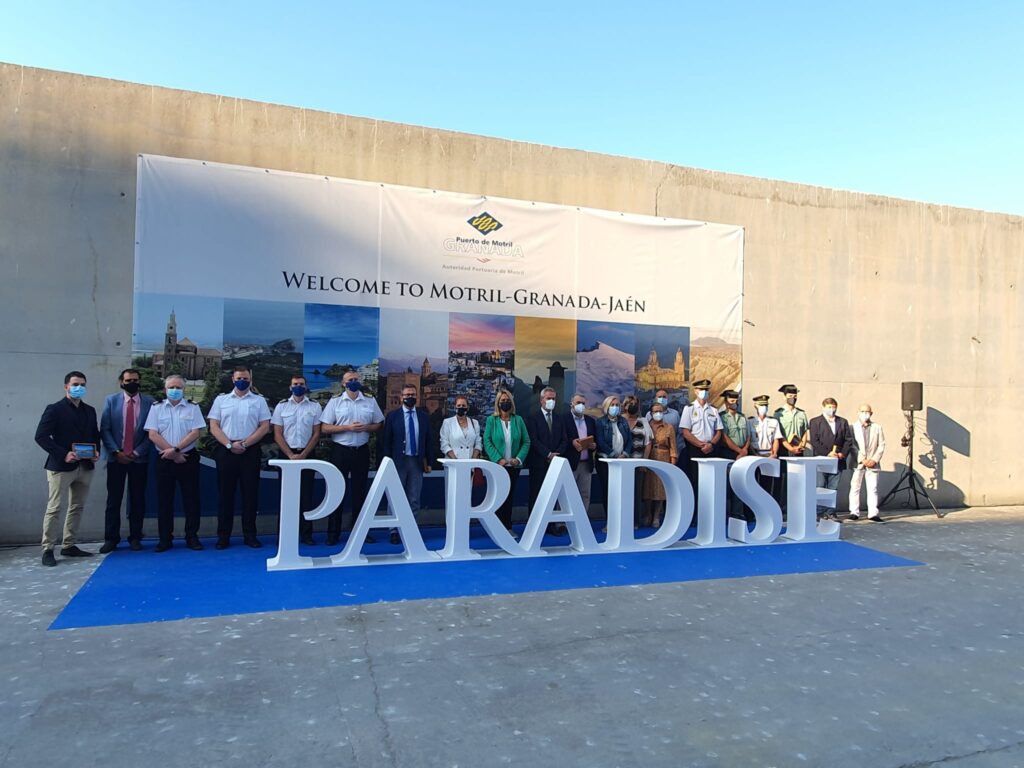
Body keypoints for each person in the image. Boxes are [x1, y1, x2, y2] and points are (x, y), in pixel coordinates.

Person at [35, 371, 101, 566]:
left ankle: (69, 544)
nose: (79, 387)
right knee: (55, 507)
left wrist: (96, 451)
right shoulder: (54, 409)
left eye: (82, 384)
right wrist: (63, 453)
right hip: (61, 466)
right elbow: (41, 436)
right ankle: (48, 549)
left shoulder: (90, 410)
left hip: (85, 466)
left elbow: (95, 434)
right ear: (66, 387)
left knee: (77, 506)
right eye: (75, 384)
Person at [207, 366, 271, 549]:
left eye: (245, 378)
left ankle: (250, 535)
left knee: (250, 495)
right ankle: (223, 536)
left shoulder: (259, 401)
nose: (242, 381)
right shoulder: (221, 400)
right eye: (239, 378)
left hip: (250, 451)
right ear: (233, 379)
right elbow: (214, 426)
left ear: (250, 380)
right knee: (225, 495)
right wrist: (229, 444)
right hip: (226, 450)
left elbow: (264, 426)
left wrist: (245, 444)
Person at [320, 370, 384, 545]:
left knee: (360, 493)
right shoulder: (335, 402)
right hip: (340, 451)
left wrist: (366, 428)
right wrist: (347, 428)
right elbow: (325, 428)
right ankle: (333, 533)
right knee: (336, 492)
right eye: (350, 380)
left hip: (361, 451)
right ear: (343, 383)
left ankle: (361, 532)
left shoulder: (370, 400)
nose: (353, 382)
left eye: (356, 379)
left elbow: (379, 424)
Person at [144, 375, 206, 551]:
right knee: (164, 500)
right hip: (164, 459)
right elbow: (152, 434)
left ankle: (192, 537)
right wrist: (172, 453)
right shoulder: (156, 408)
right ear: (165, 389)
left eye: (178, 387)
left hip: (188, 458)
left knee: (191, 500)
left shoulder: (193, 407)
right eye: (171, 387)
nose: (175, 390)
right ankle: (165, 539)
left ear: (184, 389)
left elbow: (195, 433)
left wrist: (177, 450)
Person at [99, 368, 154, 552]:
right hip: (116, 459)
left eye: (135, 380)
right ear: (121, 382)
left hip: (139, 459)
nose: (132, 383)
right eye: (129, 380)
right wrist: (116, 452)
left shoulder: (150, 402)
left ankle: (136, 537)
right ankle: (111, 539)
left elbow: (152, 432)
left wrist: (137, 452)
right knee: (113, 500)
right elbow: (105, 429)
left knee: (138, 499)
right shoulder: (111, 401)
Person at [271, 375, 323, 546]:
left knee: (307, 496)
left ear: (306, 387)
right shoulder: (281, 406)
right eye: (295, 384)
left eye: (301, 384)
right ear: (290, 387)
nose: (298, 387)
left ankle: (306, 534)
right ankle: (283, 535)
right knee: (285, 497)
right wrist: (290, 455)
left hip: (307, 454)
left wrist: (304, 454)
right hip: (286, 456)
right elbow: (277, 433)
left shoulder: (314, 406)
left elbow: (316, 433)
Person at [381, 384, 433, 544]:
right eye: (407, 395)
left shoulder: (424, 417)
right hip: (398, 462)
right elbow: (386, 441)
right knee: (395, 496)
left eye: (413, 394)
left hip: (416, 462)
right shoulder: (392, 416)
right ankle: (394, 530)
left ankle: (411, 528)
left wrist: (429, 462)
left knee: (414, 498)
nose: (410, 397)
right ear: (401, 397)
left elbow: (428, 440)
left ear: (417, 396)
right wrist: (386, 462)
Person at [482, 388, 530, 533]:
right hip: (498, 467)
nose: (505, 402)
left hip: (513, 467)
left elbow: (526, 441)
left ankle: (507, 528)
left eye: (508, 400)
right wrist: (498, 459)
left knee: (509, 498)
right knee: (497, 498)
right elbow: (487, 441)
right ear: (498, 403)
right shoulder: (492, 420)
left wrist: (518, 459)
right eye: (502, 400)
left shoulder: (518, 420)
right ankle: (495, 529)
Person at [808, 397, 854, 521]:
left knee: (833, 488)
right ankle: (819, 512)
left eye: (833, 407)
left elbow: (848, 440)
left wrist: (842, 453)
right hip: (822, 459)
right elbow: (815, 441)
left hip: (838, 460)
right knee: (820, 486)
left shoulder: (842, 422)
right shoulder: (815, 422)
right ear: (823, 407)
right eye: (829, 407)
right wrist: (828, 453)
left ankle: (831, 512)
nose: (832, 410)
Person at [525, 386, 569, 513]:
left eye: (554, 399)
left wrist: (556, 455)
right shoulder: (532, 418)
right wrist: (548, 454)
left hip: (555, 464)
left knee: (553, 495)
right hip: (538, 464)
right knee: (536, 494)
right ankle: (534, 521)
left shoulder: (559, 418)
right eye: (549, 398)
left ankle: (551, 522)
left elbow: (564, 440)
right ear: (541, 400)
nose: (552, 401)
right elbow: (534, 440)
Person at [679, 379, 722, 495]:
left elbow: (718, 431)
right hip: (695, 449)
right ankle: (696, 505)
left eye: (706, 389)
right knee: (695, 480)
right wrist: (700, 444)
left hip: (711, 449)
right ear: (696, 391)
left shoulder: (713, 409)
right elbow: (685, 432)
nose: (704, 392)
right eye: (701, 389)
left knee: (710, 481)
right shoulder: (689, 408)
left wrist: (711, 444)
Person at [773, 384, 809, 510]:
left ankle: (795, 507)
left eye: (794, 396)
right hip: (784, 450)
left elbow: (805, 431)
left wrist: (802, 445)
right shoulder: (778, 414)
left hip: (798, 450)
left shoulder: (801, 413)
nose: (792, 398)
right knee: (782, 480)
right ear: (784, 397)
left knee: (797, 479)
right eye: (790, 396)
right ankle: (780, 508)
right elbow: (779, 434)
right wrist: (790, 448)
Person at [595, 395, 631, 519]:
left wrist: (624, 454)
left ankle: (621, 520)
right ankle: (610, 520)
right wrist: (614, 455)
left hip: (622, 462)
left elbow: (629, 441)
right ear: (606, 406)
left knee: (621, 492)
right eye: (612, 405)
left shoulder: (624, 421)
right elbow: (600, 442)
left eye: (617, 405)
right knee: (608, 492)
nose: (615, 407)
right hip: (606, 463)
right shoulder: (600, 422)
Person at [848, 404, 886, 522]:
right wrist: (862, 459)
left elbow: (881, 445)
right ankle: (854, 512)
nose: (865, 414)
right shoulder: (852, 427)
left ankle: (873, 513)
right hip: (858, 463)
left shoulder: (877, 427)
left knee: (873, 488)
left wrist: (874, 459)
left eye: (867, 412)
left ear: (871, 413)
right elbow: (852, 445)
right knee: (855, 487)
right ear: (858, 412)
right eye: (863, 411)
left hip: (873, 463)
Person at [718, 389, 751, 521]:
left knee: (740, 483)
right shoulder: (722, 417)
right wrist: (739, 451)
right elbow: (724, 437)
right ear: (726, 402)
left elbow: (748, 435)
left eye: (736, 400)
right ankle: (725, 513)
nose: (734, 403)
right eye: (732, 400)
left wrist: (744, 450)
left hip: (743, 453)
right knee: (726, 484)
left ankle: (738, 512)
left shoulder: (742, 417)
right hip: (728, 453)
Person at [643, 402, 677, 528]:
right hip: (649, 456)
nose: (658, 413)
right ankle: (648, 514)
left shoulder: (669, 427)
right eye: (655, 411)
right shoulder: (646, 425)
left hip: (663, 457)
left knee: (660, 488)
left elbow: (673, 447)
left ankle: (657, 516)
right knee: (647, 487)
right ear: (651, 413)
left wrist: (673, 463)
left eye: (660, 411)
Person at [564, 392, 597, 518]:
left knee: (585, 494)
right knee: (566, 494)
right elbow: (561, 439)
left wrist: (593, 446)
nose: (581, 405)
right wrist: (572, 442)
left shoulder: (590, 421)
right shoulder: (563, 419)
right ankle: (562, 523)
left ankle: (582, 521)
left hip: (586, 464)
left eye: (583, 403)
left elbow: (595, 439)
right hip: (570, 463)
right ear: (572, 404)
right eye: (578, 403)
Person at [622, 394, 652, 527]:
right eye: (630, 403)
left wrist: (644, 462)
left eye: (635, 404)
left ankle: (635, 522)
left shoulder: (643, 421)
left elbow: (648, 442)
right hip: (621, 463)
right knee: (622, 493)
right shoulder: (619, 420)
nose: (633, 406)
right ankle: (622, 521)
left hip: (638, 463)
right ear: (625, 406)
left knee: (636, 493)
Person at [747, 395, 781, 498]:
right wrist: (754, 454)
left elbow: (776, 439)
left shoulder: (773, 421)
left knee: (766, 484)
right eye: (761, 405)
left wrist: (774, 453)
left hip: (768, 454)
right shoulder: (750, 422)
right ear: (755, 406)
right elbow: (748, 440)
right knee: (752, 482)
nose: (764, 407)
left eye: (765, 405)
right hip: (754, 454)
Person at [440, 395, 482, 460]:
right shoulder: (447, 422)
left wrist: (473, 459)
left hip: (470, 462)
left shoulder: (475, 423)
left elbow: (478, 443)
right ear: (455, 407)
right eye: (459, 405)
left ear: (467, 408)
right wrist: (456, 460)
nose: (461, 407)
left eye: (463, 405)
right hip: (452, 462)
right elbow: (444, 444)